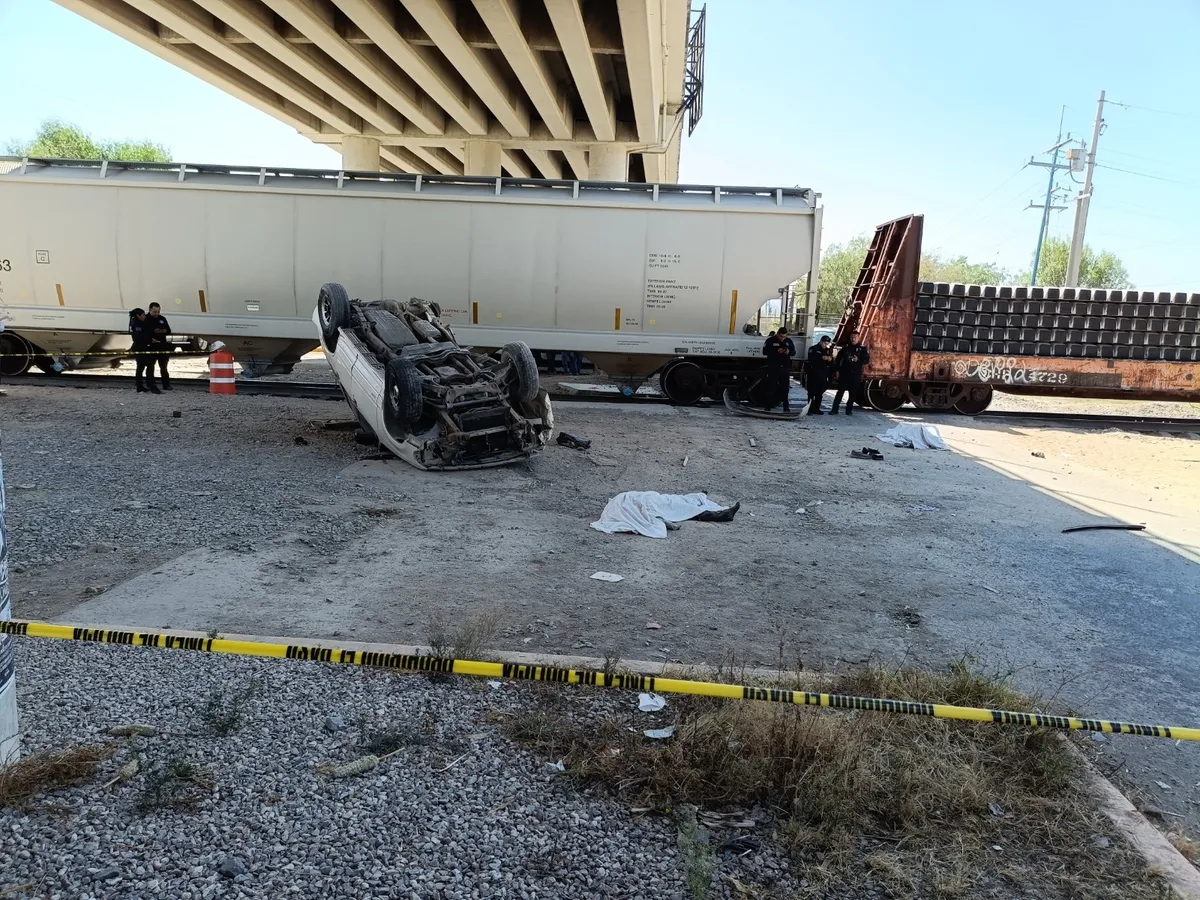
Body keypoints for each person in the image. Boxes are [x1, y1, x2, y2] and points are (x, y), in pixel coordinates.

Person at [831, 330, 871, 415]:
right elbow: (838, 359)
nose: (853, 339)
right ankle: (834, 409)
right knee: (840, 392)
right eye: (851, 337)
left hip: (855, 374)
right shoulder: (846, 347)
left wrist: (858, 360)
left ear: (858, 338)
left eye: (855, 337)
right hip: (844, 373)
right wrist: (837, 370)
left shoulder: (862, 348)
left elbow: (866, 360)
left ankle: (849, 410)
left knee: (852, 394)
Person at [761, 326, 796, 412]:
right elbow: (764, 351)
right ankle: (767, 406)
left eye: (784, 336)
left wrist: (788, 352)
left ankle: (786, 408)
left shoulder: (789, 341)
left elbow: (794, 352)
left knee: (785, 388)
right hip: (773, 367)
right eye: (781, 336)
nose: (782, 338)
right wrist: (776, 351)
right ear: (777, 334)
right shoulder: (770, 340)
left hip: (784, 368)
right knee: (770, 387)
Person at [129, 308, 159, 394]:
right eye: (143, 315)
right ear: (138, 316)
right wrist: (150, 340)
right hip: (140, 348)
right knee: (147, 366)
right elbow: (139, 337)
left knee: (141, 367)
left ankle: (141, 386)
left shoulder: (138, 323)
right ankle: (147, 385)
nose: (144, 316)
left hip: (142, 347)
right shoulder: (136, 324)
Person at [145, 302, 173, 391]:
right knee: (150, 366)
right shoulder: (146, 319)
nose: (157, 314)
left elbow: (168, 331)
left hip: (162, 345)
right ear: (150, 310)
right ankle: (150, 384)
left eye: (158, 311)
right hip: (151, 346)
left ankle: (166, 384)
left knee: (164, 366)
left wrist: (160, 331)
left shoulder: (162, 319)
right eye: (155, 312)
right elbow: (144, 332)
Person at [805, 334, 834, 415]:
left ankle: (817, 408)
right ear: (821, 342)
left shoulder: (828, 350)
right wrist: (821, 357)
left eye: (827, 343)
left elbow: (831, 362)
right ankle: (810, 409)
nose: (826, 345)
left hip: (823, 374)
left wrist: (830, 359)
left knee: (820, 393)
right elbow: (811, 358)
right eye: (824, 343)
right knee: (811, 392)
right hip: (813, 374)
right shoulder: (813, 349)